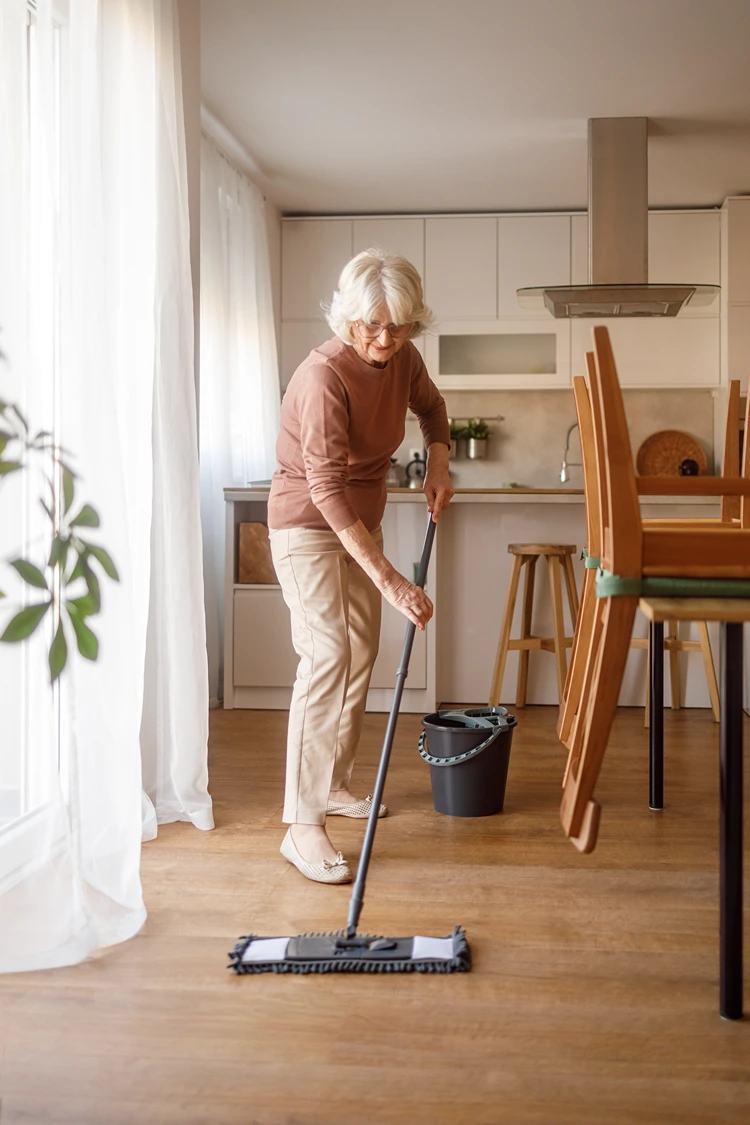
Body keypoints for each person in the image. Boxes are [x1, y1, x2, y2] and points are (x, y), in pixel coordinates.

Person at [267, 249, 454, 884]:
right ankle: (301, 823)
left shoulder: (403, 357)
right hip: (307, 526)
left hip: (360, 522)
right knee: (326, 654)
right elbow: (324, 488)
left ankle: (334, 785)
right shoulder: (324, 376)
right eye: (370, 325)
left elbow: (432, 408)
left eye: (398, 326)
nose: (383, 339)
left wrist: (439, 461)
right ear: (347, 316)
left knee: (359, 653)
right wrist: (394, 580)